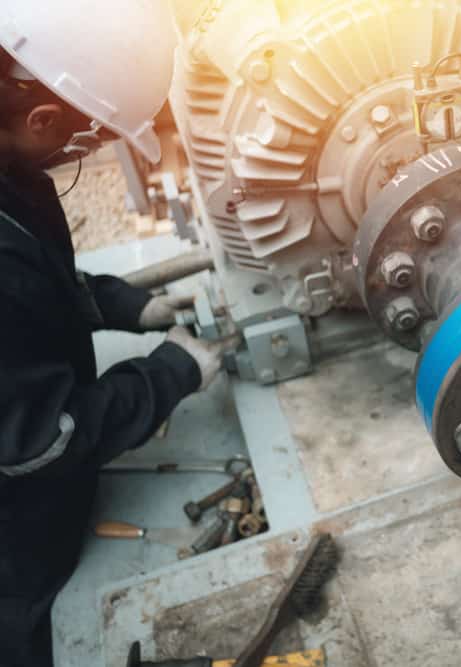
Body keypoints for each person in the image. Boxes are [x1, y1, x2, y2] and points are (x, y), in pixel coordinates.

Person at [0, 4, 235, 664]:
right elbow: (38, 437)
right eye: (90, 141)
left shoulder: (10, 171)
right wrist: (170, 373)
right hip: (16, 559)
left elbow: (31, 290)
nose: (86, 152)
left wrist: (128, 305)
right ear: (42, 119)